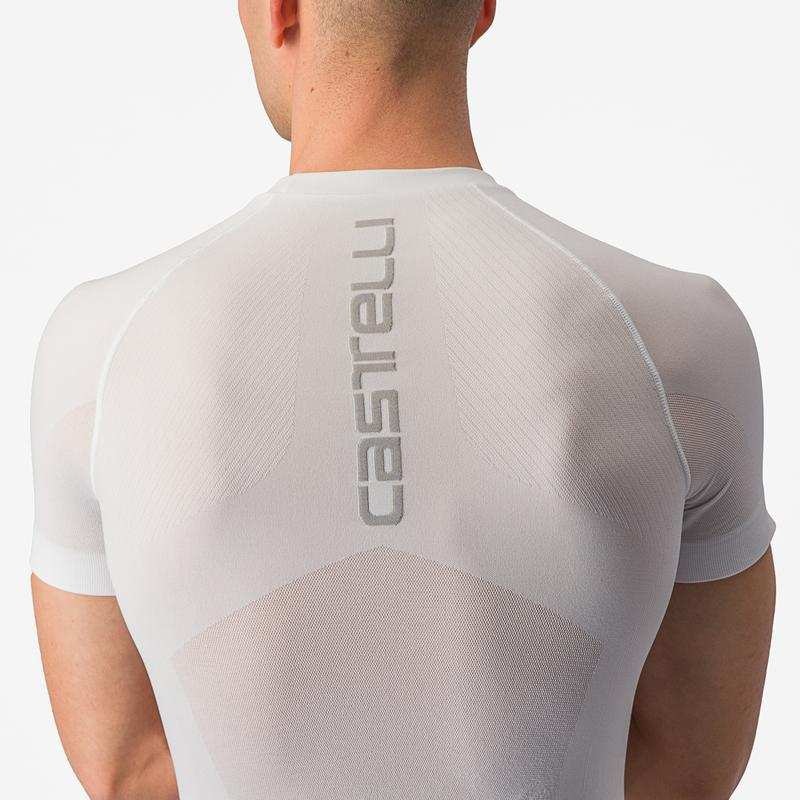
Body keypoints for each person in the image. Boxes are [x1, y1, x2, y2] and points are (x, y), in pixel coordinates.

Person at [30, 2, 776, 799]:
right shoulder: (679, 335)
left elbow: (130, 770)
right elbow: (687, 768)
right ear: (482, 10)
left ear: (279, 10)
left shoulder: (100, 345)